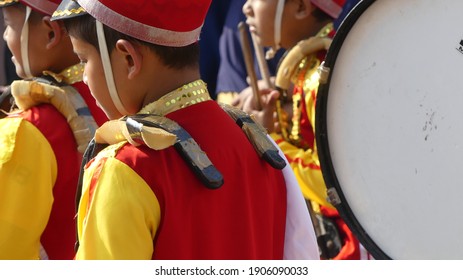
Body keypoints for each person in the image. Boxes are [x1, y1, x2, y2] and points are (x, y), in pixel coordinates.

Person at [51, 0, 319, 260]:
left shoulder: (127, 168)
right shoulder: (261, 146)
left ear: (128, 59)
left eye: (84, 60)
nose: (85, 77)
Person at [238, 0, 369, 260]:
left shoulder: (319, 78)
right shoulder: (310, 70)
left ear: (300, 8)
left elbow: (334, 184)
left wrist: (268, 141)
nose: (247, 8)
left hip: (349, 247)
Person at [0, 0, 107, 259]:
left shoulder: (26, 129)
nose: (5, 36)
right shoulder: (114, 101)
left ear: (50, 33)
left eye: (9, 25)